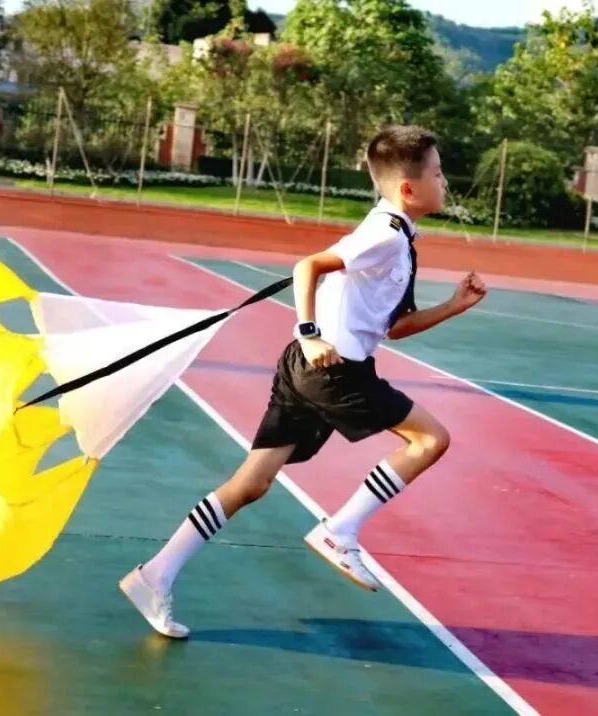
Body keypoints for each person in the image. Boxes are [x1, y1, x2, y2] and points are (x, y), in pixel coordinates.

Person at [120, 125, 488, 638]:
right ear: (409, 188)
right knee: (430, 440)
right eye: (438, 173)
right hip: (334, 373)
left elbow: (397, 327)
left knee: (252, 483)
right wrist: (311, 333)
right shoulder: (384, 235)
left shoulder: (399, 239)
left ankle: (155, 574)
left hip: (307, 369)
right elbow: (308, 266)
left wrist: (453, 306)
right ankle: (340, 531)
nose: (445, 181)